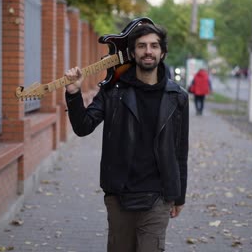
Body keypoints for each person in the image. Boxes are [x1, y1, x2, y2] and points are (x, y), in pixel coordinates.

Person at [64, 22, 189, 252]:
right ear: (132, 53)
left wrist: (179, 196)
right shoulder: (113, 92)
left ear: (163, 53)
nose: (148, 51)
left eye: (154, 46)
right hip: (119, 195)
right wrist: (74, 94)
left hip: (158, 197)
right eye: (141, 46)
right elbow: (83, 127)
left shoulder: (177, 97)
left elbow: (180, 151)